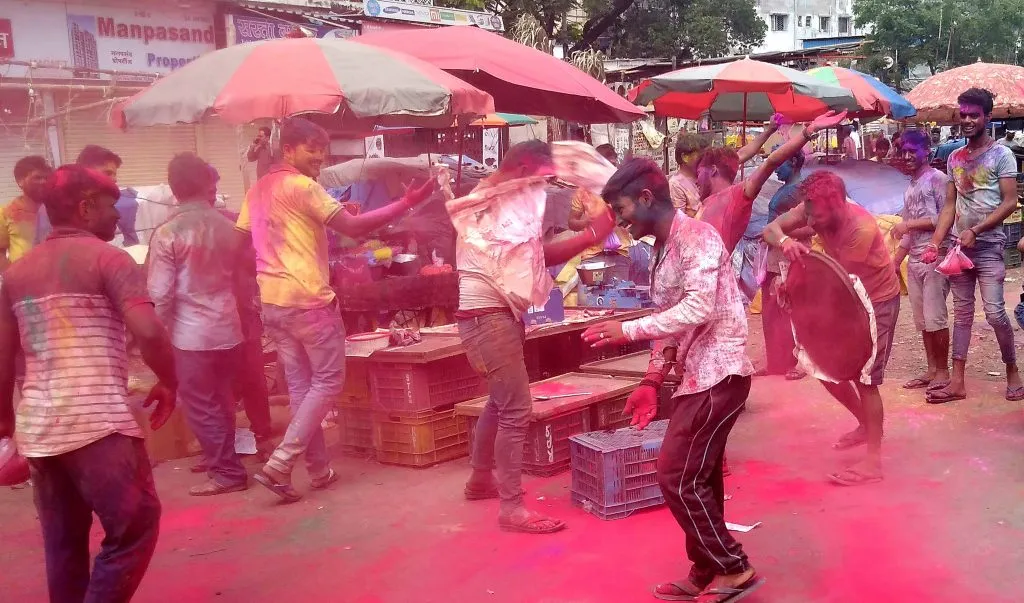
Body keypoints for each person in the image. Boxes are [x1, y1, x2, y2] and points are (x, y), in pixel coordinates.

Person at [581, 159, 763, 602]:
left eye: (620, 208)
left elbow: (697, 309)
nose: (618, 220)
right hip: (695, 375)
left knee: (676, 475)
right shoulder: (661, 249)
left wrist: (626, 329)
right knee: (700, 476)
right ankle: (705, 567)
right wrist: (651, 379)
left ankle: (734, 567)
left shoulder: (696, 236)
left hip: (721, 373)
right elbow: (671, 326)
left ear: (645, 198)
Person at [0, 164, 177, 602]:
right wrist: (169, 381)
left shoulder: (16, 274)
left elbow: (3, 357)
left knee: (63, 544)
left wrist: (6, 422)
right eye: (109, 207)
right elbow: (150, 332)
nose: (118, 217)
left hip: (41, 430)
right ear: (84, 208)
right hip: (98, 423)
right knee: (135, 526)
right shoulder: (109, 258)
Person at [237, 117, 436, 502]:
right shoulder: (302, 187)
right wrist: (406, 203)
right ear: (289, 150)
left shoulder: (259, 189)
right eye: (311, 150)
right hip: (308, 301)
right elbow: (355, 228)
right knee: (327, 383)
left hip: (274, 302)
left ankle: (317, 469)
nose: (318, 158)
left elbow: (248, 240)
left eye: (322, 151)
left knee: (301, 389)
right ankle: (281, 463)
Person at [459, 140, 615, 534]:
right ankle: (511, 507)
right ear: (524, 167)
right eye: (542, 177)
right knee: (515, 410)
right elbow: (538, 257)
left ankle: (480, 479)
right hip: (488, 318)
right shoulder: (499, 204)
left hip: (487, 316)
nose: (543, 187)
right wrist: (593, 234)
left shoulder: (492, 196)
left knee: (501, 400)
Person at [764, 171, 900, 486]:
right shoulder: (812, 205)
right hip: (843, 293)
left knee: (865, 377)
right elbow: (770, 230)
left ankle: (873, 461)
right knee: (825, 367)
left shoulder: (861, 229)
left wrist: (793, 285)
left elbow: (835, 285)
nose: (808, 218)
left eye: (814, 212)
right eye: (805, 209)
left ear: (837, 205)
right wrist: (785, 243)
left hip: (875, 301)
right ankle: (865, 425)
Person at [147, 154, 250, 496]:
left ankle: (226, 472)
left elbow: (159, 295)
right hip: (229, 328)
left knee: (201, 405)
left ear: (174, 189)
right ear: (208, 185)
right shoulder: (230, 226)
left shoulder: (167, 233)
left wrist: (155, 337)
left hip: (191, 335)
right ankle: (222, 459)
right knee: (221, 400)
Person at [921, 88, 1023, 403]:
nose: (967, 120)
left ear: (986, 117)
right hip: (958, 248)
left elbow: (1010, 202)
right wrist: (937, 242)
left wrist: (976, 230)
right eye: (963, 114)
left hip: (990, 245)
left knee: (994, 313)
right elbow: (950, 205)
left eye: (973, 115)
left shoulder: (1001, 154)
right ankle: (958, 381)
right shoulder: (954, 158)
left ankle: (1012, 371)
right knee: (962, 314)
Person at [696, 111, 846, 255]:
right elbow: (742, 154)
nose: (696, 179)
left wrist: (808, 131)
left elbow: (771, 162)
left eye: (699, 173)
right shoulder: (708, 199)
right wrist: (769, 131)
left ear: (713, 170)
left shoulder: (735, 198)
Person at [890, 130, 952, 394]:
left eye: (912, 151)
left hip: (935, 257)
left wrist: (907, 225)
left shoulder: (938, 179)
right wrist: (894, 262)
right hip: (914, 260)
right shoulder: (911, 187)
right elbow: (908, 234)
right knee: (922, 320)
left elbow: (945, 219)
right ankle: (930, 368)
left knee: (935, 317)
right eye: (903, 151)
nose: (906, 156)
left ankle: (943, 371)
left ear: (927, 150)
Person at [760, 150, 809, 380]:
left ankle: (801, 361)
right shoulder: (787, 188)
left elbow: (811, 226)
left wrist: (781, 234)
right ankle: (777, 361)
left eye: (780, 163)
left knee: (793, 309)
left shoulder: (798, 190)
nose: (776, 168)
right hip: (775, 256)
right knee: (773, 311)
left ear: (793, 162)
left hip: (789, 255)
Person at [75, 145, 140, 245]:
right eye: (108, 173)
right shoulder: (66, 208)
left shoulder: (108, 204)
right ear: (86, 173)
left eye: (115, 174)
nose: (115, 179)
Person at [0, 156, 51, 273]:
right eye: (37, 177)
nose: (43, 182)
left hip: (55, 278)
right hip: (21, 280)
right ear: (20, 181)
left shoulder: (57, 209)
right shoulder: (6, 213)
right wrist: (12, 275)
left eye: (46, 178)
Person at [669, 133, 711, 216]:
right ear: (685, 157)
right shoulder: (676, 184)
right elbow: (679, 221)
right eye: (701, 156)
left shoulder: (704, 175)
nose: (705, 159)